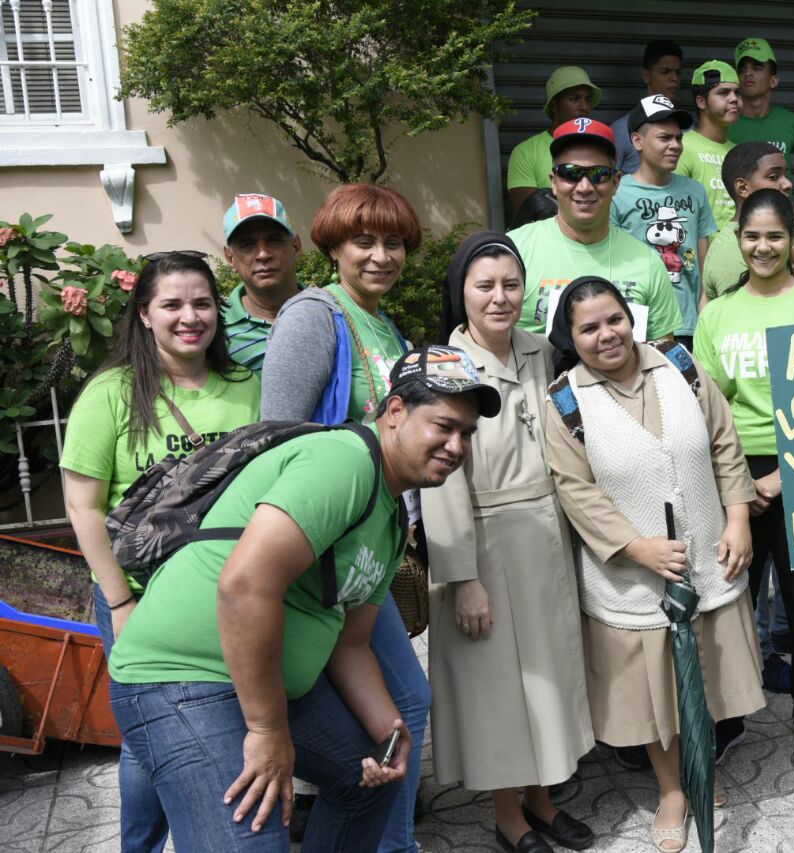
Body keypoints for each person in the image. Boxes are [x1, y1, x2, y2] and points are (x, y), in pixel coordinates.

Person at [107, 345, 499, 852]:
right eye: (444, 425)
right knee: (254, 839)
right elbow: (245, 586)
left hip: (262, 684)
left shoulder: (390, 518)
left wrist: (391, 734)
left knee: (369, 781)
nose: (456, 444)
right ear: (396, 412)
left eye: (466, 433)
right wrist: (267, 731)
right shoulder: (344, 462)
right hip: (182, 678)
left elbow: (351, 643)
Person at [545, 276, 764, 853]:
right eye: (588, 328)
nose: (605, 335)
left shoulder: (678, 362)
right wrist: (636, 547)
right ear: (570, 337)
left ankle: (701, 769)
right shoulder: (565, 400)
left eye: (613, 319)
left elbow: (724, 442)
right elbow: (575, 489)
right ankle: (672, 789)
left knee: (705, 674)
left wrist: (738, 518)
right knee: (655, 693)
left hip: (707, 555)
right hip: (630, 577)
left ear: (630, 317)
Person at [61, 252, 261, 853]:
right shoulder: (113, 392)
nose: (189, 317)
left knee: (205, 722)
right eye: (171, 304)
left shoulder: (245, 386)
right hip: (140, 595)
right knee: (148, 735)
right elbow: (84, 507)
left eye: (202, 303)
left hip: (220, 593)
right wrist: (119, 601)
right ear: (144, 314)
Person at [260, 183, 429, 853]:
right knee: (405, 701)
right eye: (364, 241)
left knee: (400, 706)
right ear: (332, 246)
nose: (381, 255)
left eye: (393, 243)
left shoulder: (386, 324)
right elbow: (274, 440)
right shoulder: (313, 314)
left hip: (370, 551)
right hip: (321, 554)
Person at [425, 233, 596, 853]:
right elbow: (438, 476)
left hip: (548, 535)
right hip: (484, 541)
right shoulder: (445, 367)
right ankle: (507, 815)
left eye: (511, 284)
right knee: (497, 683)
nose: (500, 297)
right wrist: (461, 575)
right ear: (461, 292)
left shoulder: (541, 351)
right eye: (484, 285)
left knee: (547, 678)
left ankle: (544, 800)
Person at [694, 189, 794, 771]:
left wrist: (781, 479)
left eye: (774, 236)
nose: (762, 247)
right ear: (737, 239)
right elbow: (705, 410)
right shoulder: (716, 315)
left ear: (793, 237)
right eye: (752, 236)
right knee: (730, 600)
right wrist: (739, 487)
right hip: (735, 477)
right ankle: (727, 720)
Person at [509, 118, 682, 339]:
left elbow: (663, 351)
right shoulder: (515, 251)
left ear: (616, 182)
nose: (584, 187)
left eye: (598, 174)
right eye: (570, 173)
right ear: (554, 181)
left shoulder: (646, 261)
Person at [611, 94, 716, 348]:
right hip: (639, 325)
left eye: (678, 137)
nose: (676, 145)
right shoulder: (616, 193)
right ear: (637, 140)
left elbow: (704, 261)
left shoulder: (695, 191)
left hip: (689, 324)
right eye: (664, 137)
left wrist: (705, 312)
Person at [701, 142, 794, 307]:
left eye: (785, 175)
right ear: (743, 188)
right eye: (773, 177)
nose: (788, 184)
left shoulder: (782, 237)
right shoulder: (733, 254)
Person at [727, 37, 794, 225]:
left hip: (780, 224)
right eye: (742, 69)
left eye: (756, 67)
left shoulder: (792, 123)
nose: (748, 73)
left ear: (773, 80)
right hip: (737, 224)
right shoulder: (727, 123)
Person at [220, 193, 303, 374]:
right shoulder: (215, 330)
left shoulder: (331, 312)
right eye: (247, 244)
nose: (263, 254)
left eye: (274, 240)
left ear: (296, 247)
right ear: (230, 258)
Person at [509, 66, 603, 212]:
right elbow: (528, 214)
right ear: (554, 105)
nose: (584, 106)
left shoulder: (602, 147)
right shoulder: (526, 152)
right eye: (575, 98)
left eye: (588, 99)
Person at [675, 60, 741, 231]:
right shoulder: (680, 146)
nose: (734, 98)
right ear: (701, 102)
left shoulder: (739, 152)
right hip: (699, 254)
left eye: (737, 92)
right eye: (723, 93)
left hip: (737, 253)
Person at [611, 41, 683, 175]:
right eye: (665, 72)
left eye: (678, 72)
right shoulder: (621, 130)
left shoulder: (687, 127)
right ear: (646, 76)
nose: (674, 78)